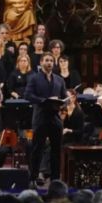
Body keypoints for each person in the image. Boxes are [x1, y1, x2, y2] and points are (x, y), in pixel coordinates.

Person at [26, 52, 66, 182]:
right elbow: (28, 95)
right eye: (46, 60)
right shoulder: (34, 78)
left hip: (55, 118)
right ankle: (33, 177)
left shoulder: (59, 79)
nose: (49, 63)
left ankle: (55, 178)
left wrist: (63, 102)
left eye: (51, 61)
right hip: (41, 117)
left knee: (56, 150)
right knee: (37, 148)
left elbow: (63, 97)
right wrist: (44, 100)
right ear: (41, 63)